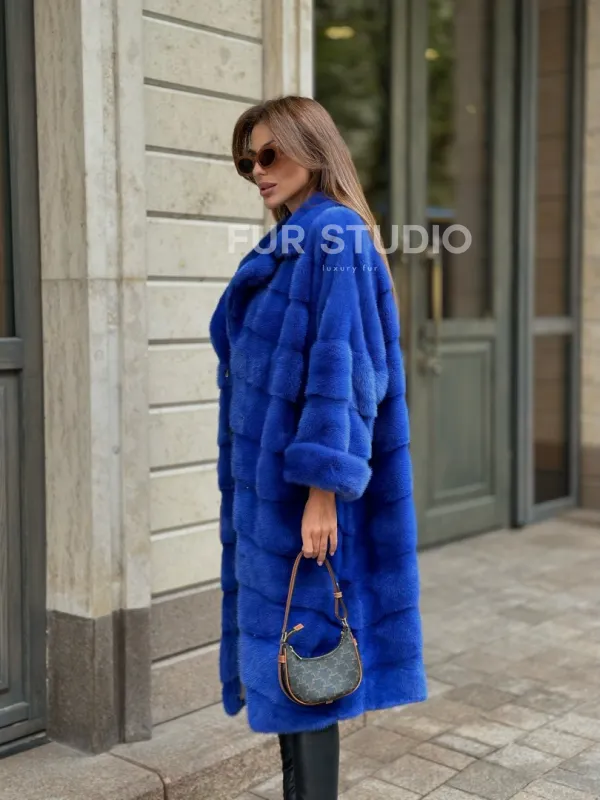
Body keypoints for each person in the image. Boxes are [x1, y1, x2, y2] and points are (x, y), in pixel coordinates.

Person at [209, 96, 426, 800]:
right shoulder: (297, 241)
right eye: (248, 160)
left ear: (313, 148)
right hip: (273, 491)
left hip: (303, 496)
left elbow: (345, 373)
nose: (258, 170)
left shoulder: (335, 236)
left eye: (270, 154)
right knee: (292, 670)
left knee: (309, 668)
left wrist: (323, 492)